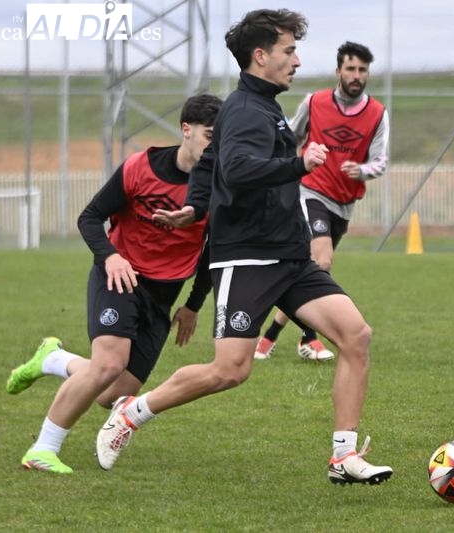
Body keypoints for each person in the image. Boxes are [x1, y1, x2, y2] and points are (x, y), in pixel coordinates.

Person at [94, 8, 393, 486]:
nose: (296, 60)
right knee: (230, 370)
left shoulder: (262, 105)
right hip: (248, 258)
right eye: (288, 50)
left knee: (355, 337)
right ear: (261, 56)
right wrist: (299, 165)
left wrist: (193, 208)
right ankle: (131, 413)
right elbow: (236, 170)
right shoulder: (248, 109)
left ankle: (344, 457)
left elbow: (211, 162)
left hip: (290, 255)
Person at [5, 93, 222, 474]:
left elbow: (210, 252)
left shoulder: (220, 188)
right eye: (209, 136)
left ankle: (53, 359)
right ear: (186, 130)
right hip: (120, 278)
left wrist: (193, 304)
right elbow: (90, 217)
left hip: (164, 295)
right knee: (107, 364)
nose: (214, 146)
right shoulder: (140, 168)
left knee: (112, 393)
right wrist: (111, 256)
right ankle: (42, 449)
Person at [254, 40, 389, 362]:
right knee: (322, 260)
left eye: (362, 70)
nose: (356, 75)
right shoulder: (315, 102)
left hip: (344, 203)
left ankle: (271, 337)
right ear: (338, 71)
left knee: (309, 269)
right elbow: (289, 137)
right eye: (350, 68)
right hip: (310, 191)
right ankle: (311, 337)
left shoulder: (377, 113)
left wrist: (362, 170)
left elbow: (381, 161)